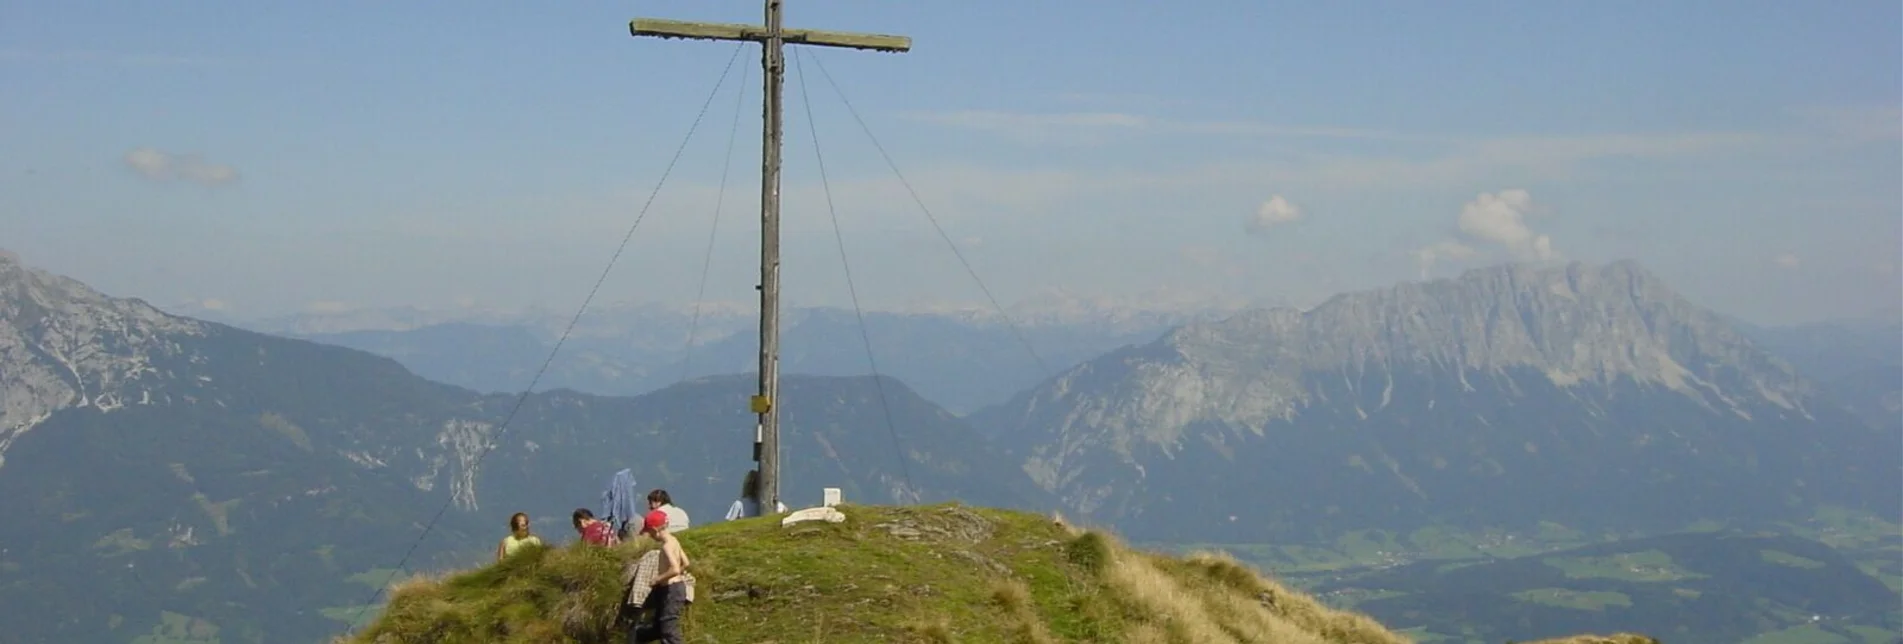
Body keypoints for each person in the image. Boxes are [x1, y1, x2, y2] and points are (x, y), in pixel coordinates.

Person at [627, 510, 691, 644]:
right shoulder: (674, 540)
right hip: (675, 589)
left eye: (649, 532)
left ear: (655, 529)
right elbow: (685, 563)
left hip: (671, 590)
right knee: (659, 626)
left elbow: (674, 569)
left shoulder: (666, 546)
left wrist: (658, 579)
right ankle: (637, 637)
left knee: (668, 628)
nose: (650, 535)